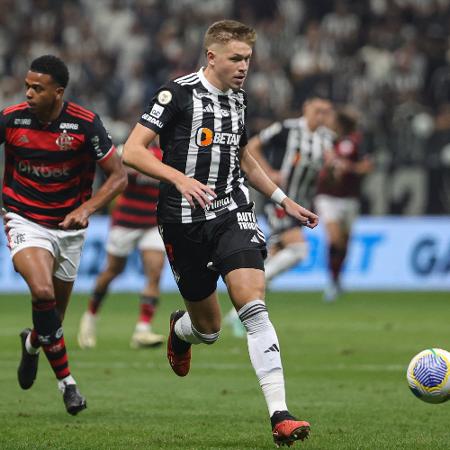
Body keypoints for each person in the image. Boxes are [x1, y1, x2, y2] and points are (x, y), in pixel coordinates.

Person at [123, 20, 319, 447]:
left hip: (233, 210)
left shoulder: (239, 100)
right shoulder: (176, 93)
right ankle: (180, 331)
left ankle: (280, 414)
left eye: (248, 58)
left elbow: (244, 157)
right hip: (181, 219)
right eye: (236, 58)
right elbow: (132, 150)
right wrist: (179, 178)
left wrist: (283, 199)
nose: (244, 66)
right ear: (212, 56)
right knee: (207, 329)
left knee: (254, 307)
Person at [0, 55, 127, 415]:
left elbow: (119, 176)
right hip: (24, 219)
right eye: (27, 85)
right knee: (40, 291)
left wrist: (87, 208)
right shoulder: (12, 119)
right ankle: (68, 384)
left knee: (51, 317)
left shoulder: (85, 124)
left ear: (58, 92)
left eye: (37, 88)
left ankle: (32, 344)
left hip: (70, 228)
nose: (28, 93)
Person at [224, 95, 334, 334]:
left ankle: (240, 312)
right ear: (306, 108)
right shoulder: (286, 129)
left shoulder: (327, 139)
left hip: (302, 205)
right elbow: (251, 146)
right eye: (318, 110)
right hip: (281, 202)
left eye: (326, 112)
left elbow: (327, 172)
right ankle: (241, 313)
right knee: (298, 250)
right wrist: (269, 172)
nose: (321, 116)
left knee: (269, 264)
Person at [78, 144, 165, 349]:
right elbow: (111, 169)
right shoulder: (127, 151)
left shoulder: (168, 155)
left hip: (153, 222)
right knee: (112, 271)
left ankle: (142, 330)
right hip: (125, 221)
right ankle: (90, 316)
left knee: (155, 272)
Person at [315, 108, 373, 302]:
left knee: (345, 244)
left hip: (350, 198)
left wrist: (349, 168)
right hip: (327, 196)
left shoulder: (356, 141)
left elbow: (367, 167)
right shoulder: (323, 139)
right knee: (334, 240)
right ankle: (332, 282)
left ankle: (337, 279)